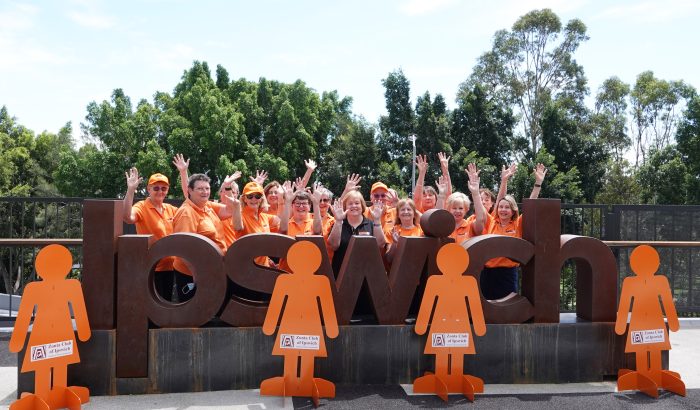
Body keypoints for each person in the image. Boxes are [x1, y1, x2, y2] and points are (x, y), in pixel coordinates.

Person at [9, 245, 91, 407]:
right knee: (46, 364)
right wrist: (83, 332)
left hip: (49, 332)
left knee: (57, 362)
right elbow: (25, 315)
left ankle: (59, 393)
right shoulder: (68, 286)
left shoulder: (38, 288)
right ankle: (43, 396)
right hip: (52, 332)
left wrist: (17, 340)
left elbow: (24, 316)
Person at [480, 163, 547, 301]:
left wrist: (538, 183)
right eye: (501, 207)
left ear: (513, 210)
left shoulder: (518, 223)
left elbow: (531, 203)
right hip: (488, 272)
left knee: (506, 307)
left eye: (507, 207)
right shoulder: (492, 220)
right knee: (488, 309)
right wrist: (504, 180)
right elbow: (498, 200)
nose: (503, 210)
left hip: (507, 272)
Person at [172, 173, 236, 300]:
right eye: (200, 189)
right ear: (190, 190)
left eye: (207, 188)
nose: (205, 192)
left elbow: (230, 209)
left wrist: (227, 188)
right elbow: (183, 249)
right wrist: (196, 273)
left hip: (211, 270)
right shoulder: (187, 213)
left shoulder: (207, 206)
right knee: (195, 315)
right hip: (192, 275)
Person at [122, 167, 179, 301]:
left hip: (171, 267)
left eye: (163, 188)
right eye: (156, 188)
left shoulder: (170, 209)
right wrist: (130, 190)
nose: (160, 191)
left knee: (167, 307)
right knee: (153, 310)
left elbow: (189, 209)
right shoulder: (141, 206)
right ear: (148, 189)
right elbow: (127, 217)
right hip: (153, 268)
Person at [328, 190, 385, 275]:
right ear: (345, 207)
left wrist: (377, 220)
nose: (354, 206)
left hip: (366, 275)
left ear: (362, 205)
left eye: (357, 203)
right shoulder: (338, 224)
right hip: (341, 274)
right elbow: (333, 246)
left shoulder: (371, 224)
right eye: (350, 204)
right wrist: (339, 221)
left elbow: (380, 245)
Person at [235, 181, 281, 267]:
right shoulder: (241, 216)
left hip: (264, 268)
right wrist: (236, 207)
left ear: (261, 199)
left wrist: (283, 198)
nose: (254, 199)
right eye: (250, 196)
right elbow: (237, 227)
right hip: (247, 269)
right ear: (244, 199)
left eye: (257, 196)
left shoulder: (264, 217)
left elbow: (281, 219)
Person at [444, 164, 487, 246]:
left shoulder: (470, 226)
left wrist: (476, 193)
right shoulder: (443, 227)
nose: (457, 211)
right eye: (454, 208)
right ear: (448, 209)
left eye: (461, 208)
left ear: (466, 209)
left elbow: (481, 219)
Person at [385, 198, 423, 264]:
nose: (406, 212)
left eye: (409, 209)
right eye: (402, 210)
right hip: (398, 271)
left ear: (414, 213)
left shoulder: (422, 231)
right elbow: (389, 259)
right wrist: (395, 243)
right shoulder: (392, 231)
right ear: (398, 214)